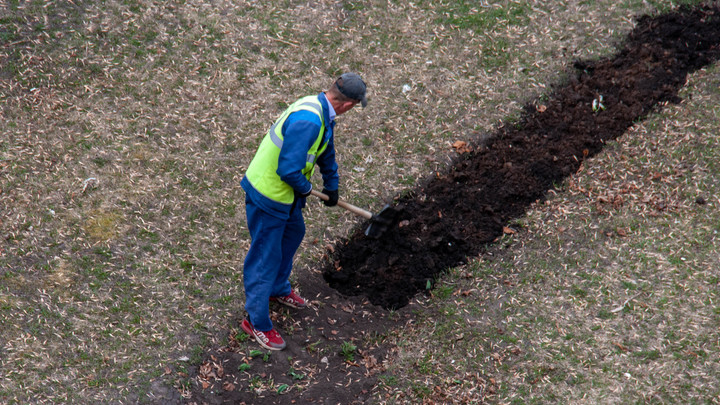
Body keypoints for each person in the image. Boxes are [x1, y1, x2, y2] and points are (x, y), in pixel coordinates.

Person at [239, 73, 368, 350]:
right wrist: (307, 187)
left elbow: (325, 149)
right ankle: (256, 321)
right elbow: (287, 170)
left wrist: (332, 186)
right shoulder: (308, 120)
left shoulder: (322, 110)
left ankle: (277, 289)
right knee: (265, 256)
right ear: (348, 105)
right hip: (269, 194)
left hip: (286, 194)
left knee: (295, 232)